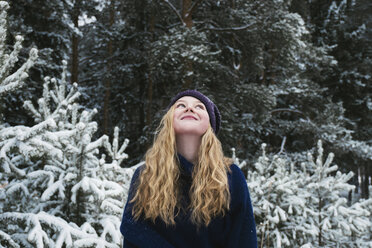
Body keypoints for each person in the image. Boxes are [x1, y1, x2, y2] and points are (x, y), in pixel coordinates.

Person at [120, 90, 257, 248]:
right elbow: (133, 234)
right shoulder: (146, 174)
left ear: (210, 124)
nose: (189, 108)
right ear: (169, 120)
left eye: (199, 107)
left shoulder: (230, 175)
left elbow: (244, 238)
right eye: (181, 105)